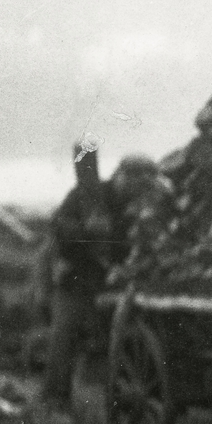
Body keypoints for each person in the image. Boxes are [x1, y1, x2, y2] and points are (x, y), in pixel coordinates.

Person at [43, 146, 126, 405]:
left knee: (110, 338)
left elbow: (125, 230)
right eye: (82, 164)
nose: (86, 169)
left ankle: (107, 398)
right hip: (76, 280)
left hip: (108, 281)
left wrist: (110, 233)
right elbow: (59, 228)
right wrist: (87, 230)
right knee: (64, 336)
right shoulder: (76, 197)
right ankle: (56, 398)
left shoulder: (113, 196)